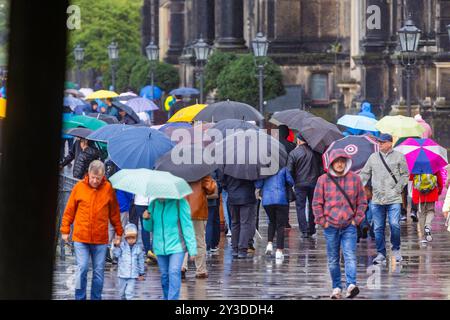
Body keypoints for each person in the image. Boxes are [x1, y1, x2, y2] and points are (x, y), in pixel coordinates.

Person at [60, 160, 123, 300]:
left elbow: (114, 214)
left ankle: (96, 298)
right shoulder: (79, 187)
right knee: (81, 269)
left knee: (99, 273)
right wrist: (65, 230)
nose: (95, 181)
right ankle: (79, 297)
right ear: (88, 174)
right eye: (93, 177)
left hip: (100, 239)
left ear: (103, 176)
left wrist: (119, 233)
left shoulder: (108, 189)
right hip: (81, 238)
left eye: (98, 178)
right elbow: (69, 210)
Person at [312, 149, 367, 299]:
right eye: (337, 161)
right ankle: (336, 288)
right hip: (330, 226)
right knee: (333, 258)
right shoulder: (323, 180)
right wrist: (322, 222)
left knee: (350, 256)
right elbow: (316, 203)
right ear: (332, 163)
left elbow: (362, 201)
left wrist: (357, 220)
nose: (340, 164)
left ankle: (351, 285)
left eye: (342, 161)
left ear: (346, 162)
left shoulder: (355, 179)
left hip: (349, 225)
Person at [360, 133, 409, 264]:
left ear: (390, 143)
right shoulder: (373, 157)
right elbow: (364, 174)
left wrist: (398, 189)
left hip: (394, 198)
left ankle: (396, 249)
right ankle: (381, 253)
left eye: (382, 142)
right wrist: (357, 186)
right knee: (378, 227)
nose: (380, 144)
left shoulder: (399, 157)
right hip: (377, 199)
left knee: (394, 225)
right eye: (379, 142)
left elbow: (405, 175)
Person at [142, 198, 197, 300]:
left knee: (174, 272)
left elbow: (187, 226)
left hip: (177, 246)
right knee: (165, 276)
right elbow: (149, 228)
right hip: (160, 247)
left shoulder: (180, 203)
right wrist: (146, 219)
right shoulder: (153, 204)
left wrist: (192, 249)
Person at [287, 133, 323, 238]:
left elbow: (289, 170)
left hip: (300, 184)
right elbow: (321, 169)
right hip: (314, 183)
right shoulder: (316, 152)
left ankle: (304, 230)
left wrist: (293, 181)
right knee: (313, 206)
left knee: (300, 207)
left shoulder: (294, 153)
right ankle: (312, 228)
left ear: (298, 140)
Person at [255, 167, 295, 261]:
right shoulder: (284, 169)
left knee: (272, 221)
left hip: (267, 200)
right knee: (280, 225)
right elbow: (291, 182)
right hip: (281, 199)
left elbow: (258, 184)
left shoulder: (263, 169)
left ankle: (269, 244)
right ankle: (279, 251)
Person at [183, 175, 217, 279]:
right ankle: (201, 270)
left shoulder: (179, 169)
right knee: (199, 240)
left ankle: (182, 266)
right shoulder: (202, 172)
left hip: (182, 209)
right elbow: (211, 189)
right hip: (198, 210)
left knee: (183, 240)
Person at [221, 174, 257, 259]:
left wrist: (229, 188)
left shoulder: (229, 165)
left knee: (234, 223)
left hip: (232, 197)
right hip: (247, 196)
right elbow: (256, 181)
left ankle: (235, 249)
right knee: (245, 223)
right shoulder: (249, 165)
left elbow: (222, 180)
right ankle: (242, 249)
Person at [113, 223, 145, 300]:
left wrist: (141, 273)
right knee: (121, 293)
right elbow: (116, 255)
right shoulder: (122, 246)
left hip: (133, 275)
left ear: (136, 238)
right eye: (129, 238)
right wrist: (116, 246)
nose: (131, 240)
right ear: (125, 238)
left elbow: (141, 261)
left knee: (129, 293)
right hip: (122, 275)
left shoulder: (138, 248)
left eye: (133, 238)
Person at [410, 171, 443, 243]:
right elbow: (440, 180)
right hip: (432, 191)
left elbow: (411, 178)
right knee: (430, 211)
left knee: (422, 214)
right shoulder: (433, 165)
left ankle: (423, 237)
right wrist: (439, 191)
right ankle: (427, 225)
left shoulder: (415, 165)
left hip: (419, 193)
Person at [107, 189, 134, 264]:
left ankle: (107, 251)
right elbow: (129, 196)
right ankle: (116, 254)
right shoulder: (125, 184)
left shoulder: (112, 183)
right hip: (122, 207)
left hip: (111, 208)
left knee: (110, 230)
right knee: (120, 231)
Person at [133, 194, 157, 264]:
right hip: (153, 201)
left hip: (139, 201)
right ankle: (152, 251)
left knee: (144, 227)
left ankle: (148, 252)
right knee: (156, 227)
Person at [206, 171, 221, 254]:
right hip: (211, 201)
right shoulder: (212, 168)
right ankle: (208, 246)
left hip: (197, 200)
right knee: (209, 223)